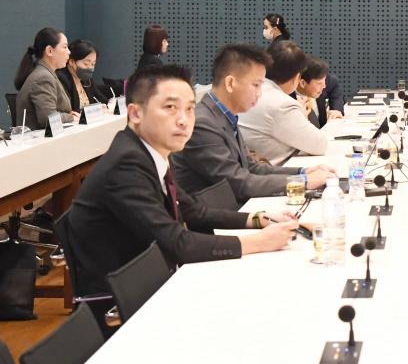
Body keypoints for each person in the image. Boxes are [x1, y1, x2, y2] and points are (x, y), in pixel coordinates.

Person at [66, 65, 300, 332]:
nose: (184, 120)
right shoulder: (126, 164)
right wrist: (260, 242)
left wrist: (258, 219)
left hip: (154, 286)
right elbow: (178, 244)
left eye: (189, 108)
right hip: (126, 311)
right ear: (135, 113)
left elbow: (194, 211)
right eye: (170, 107)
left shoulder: (147, 151)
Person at [172, 44, 334, 203]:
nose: (259, 93)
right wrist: (304, 181)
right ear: (230, 83)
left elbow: (252, 168)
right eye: (256, 85)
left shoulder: (224, 115)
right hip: (220, 215)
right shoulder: (203, 124)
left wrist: (303, 172)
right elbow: (238, 183)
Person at [240, 42, 329, 163]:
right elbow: (319, 144)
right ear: (296, 77)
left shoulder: (250, 91)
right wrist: (302, 117)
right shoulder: (282, 104)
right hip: (277, 169)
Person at [14, 28, 78, 128]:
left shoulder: (47, 73)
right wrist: (70, 117)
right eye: (65, 47)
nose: (69, 52)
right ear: (50, 51)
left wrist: (67, 115)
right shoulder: (43, 77)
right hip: (39, 137)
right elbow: (48, 119)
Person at [57, 39, 106, 111]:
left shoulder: (87, 80)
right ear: (71, 62)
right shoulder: (61, 79)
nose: (90, 68)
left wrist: (109, 104)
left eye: (93, 64)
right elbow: (68, 110)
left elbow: (102, 99)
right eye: (86, 64)